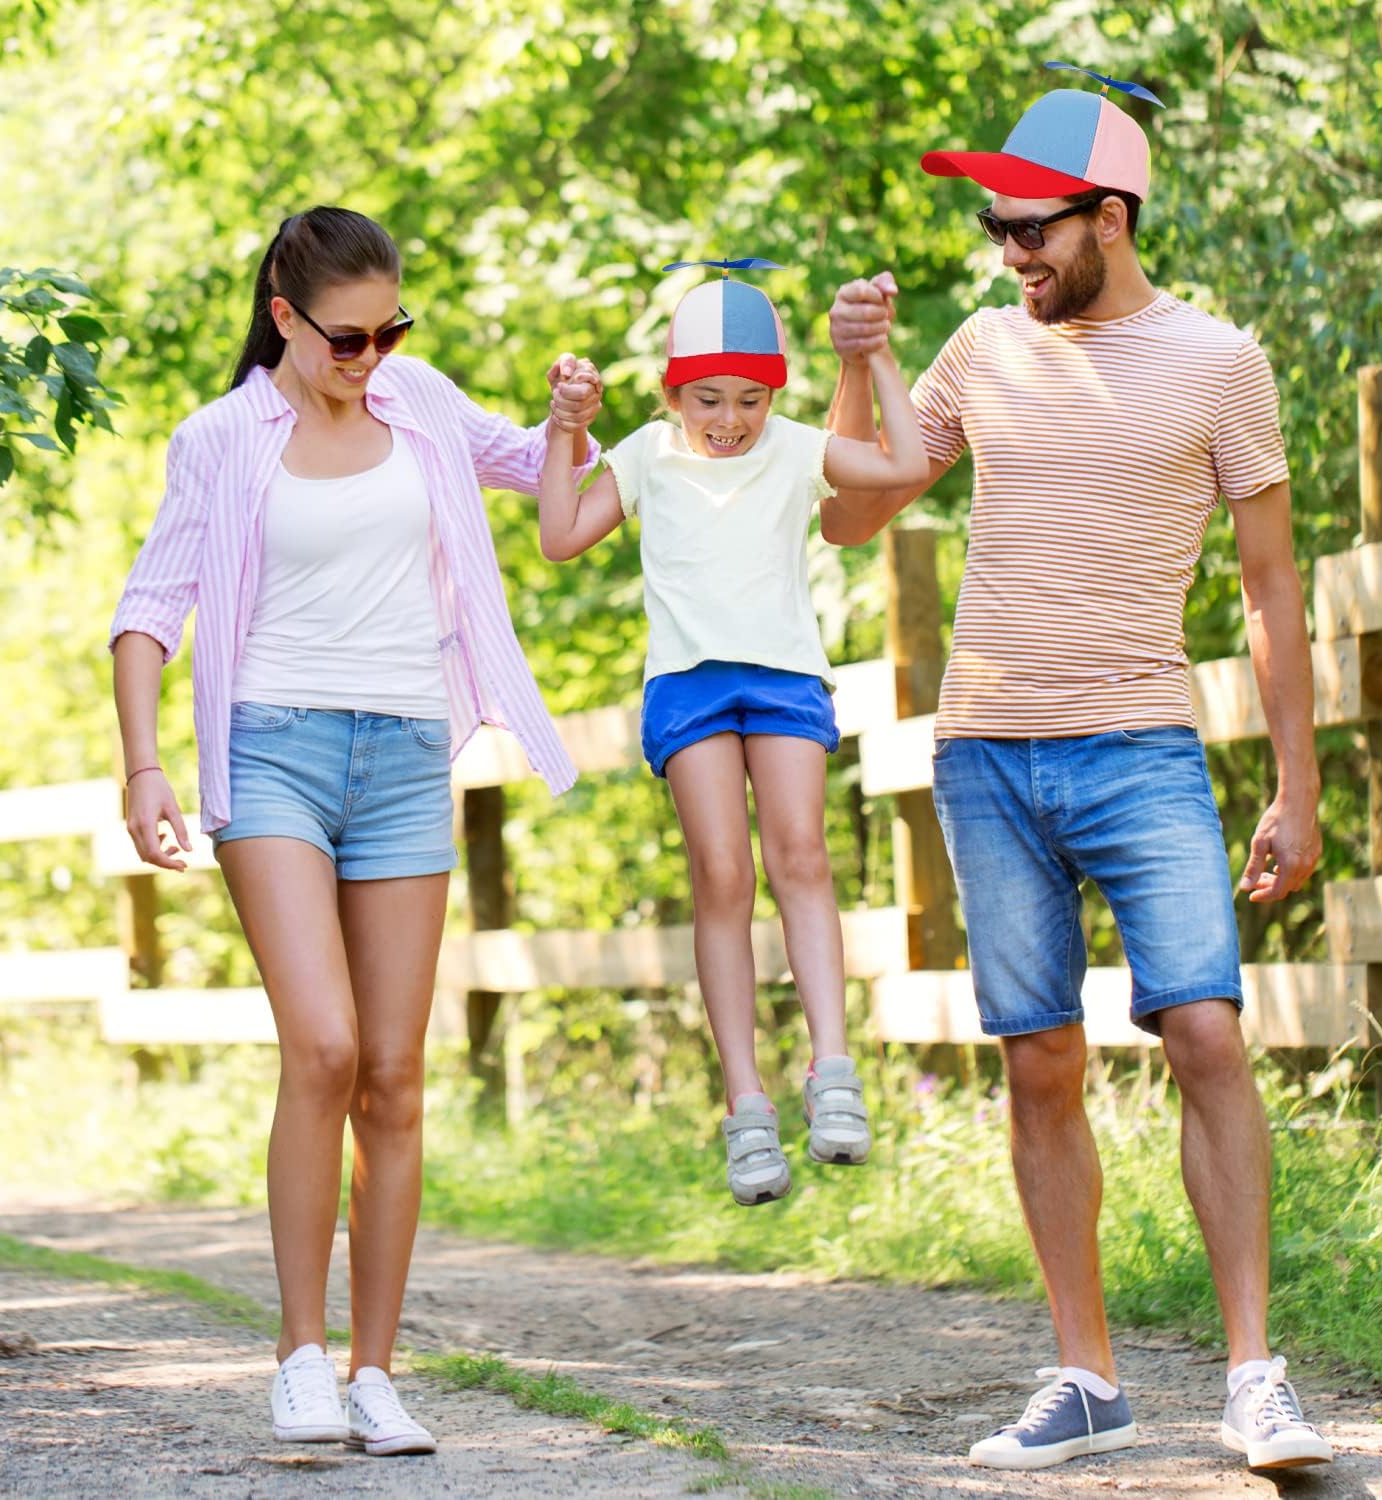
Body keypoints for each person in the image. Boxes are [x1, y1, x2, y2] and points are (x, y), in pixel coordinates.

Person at [823, 75, 1334, 1473]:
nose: (1008, 255)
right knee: (1038, 1059)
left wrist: (1296, 787)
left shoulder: (1221, 362)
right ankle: (1087, 1377)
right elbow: (852, 515)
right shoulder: (982, 349)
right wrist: (858, 365)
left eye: (1031, 230)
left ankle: (1253, 1377)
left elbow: (1273, 590)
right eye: (994, 229)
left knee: (1205, 1032)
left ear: (1111, 218)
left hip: (1141, 749)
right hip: (986, 753)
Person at [111, 206, 602, 1457]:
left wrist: (571, 417)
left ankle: (377, 1373)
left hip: (404, 757)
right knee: (323, 1047)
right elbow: (149, 608)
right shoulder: (220, 441)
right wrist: (145, 764)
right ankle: (299, 1358)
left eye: (392, 330)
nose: (371, 356)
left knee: (392, 1074)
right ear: (284, 318)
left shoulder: (418, 400)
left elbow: (536, 468)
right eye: (347, 337)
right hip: (271, 751)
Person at [539, 262, 927, 1205]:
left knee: (801, 856)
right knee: (722, 876)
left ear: (775, 393)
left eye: (750, 399)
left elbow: (906, 468)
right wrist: (563, 430)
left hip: (784, 675)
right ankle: (746, 1106)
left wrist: (874, 357)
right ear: (672, 393)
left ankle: (833, 1073)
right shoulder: (644, 454)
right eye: (707, 399)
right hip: (689, 686)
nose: (729, 419)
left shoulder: (795, 447)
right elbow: (559, 534)